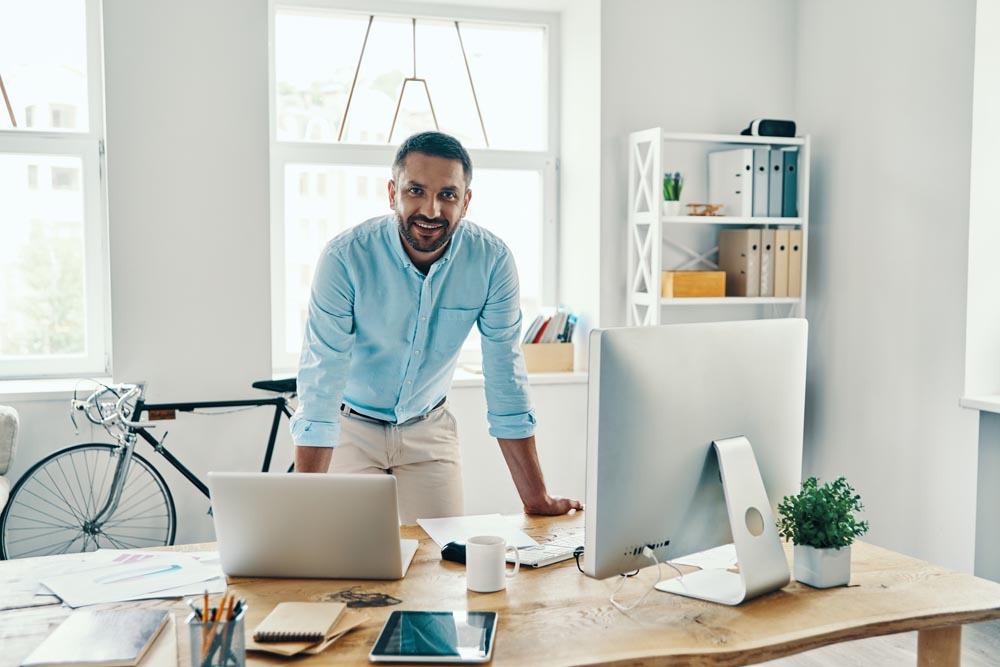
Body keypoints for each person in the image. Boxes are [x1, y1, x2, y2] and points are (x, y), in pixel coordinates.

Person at [290, 131, 582, 524]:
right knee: (349, 554)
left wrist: (537, 499)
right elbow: (321, 381)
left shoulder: (491, 261)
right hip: (351, 428)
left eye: (447, 195)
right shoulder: (345, 258)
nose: (431, 210)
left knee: (443, 557)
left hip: (429, 429)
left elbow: (505, 378)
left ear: (466, 201)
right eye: (416, 191)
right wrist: (304, 512)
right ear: (392, 193)